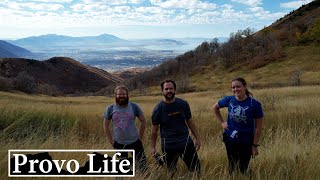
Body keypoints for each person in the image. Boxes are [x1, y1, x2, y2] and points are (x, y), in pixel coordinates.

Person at [212, 77, 264, 174]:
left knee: (244, 167)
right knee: (232, 165)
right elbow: (215, 107)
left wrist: (254, 145)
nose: (235, 89)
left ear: (245, 87)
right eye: (233, 87)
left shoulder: (254, 104)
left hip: (246, 140)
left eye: (238, 86)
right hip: (230, 138)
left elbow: (258, 127)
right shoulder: (229, 100)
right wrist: (222, 122)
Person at [151, 80, 201, 177]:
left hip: (186, 142)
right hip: (168, 145)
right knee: (171, 172)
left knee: (196, 168)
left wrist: (198, 138)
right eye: (166, 89)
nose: (169, 91)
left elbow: (190, 122)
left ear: (175, 90)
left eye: (171, 88)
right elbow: (154, 131)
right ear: (162, 91)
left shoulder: (183, 104)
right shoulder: (158, 109)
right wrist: (153, 147)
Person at [103, 85, 148, 172]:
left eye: (124, 94)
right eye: (119, 94)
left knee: (143, 167)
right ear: (115, 95)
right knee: (122, 169)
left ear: (127, 95)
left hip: (135, 142)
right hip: (119, 144)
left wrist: (140, 138)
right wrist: (112, 142)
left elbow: (143, 121)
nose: (121, 96)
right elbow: (105, 126)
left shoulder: (134, 106)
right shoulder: (110, 108)